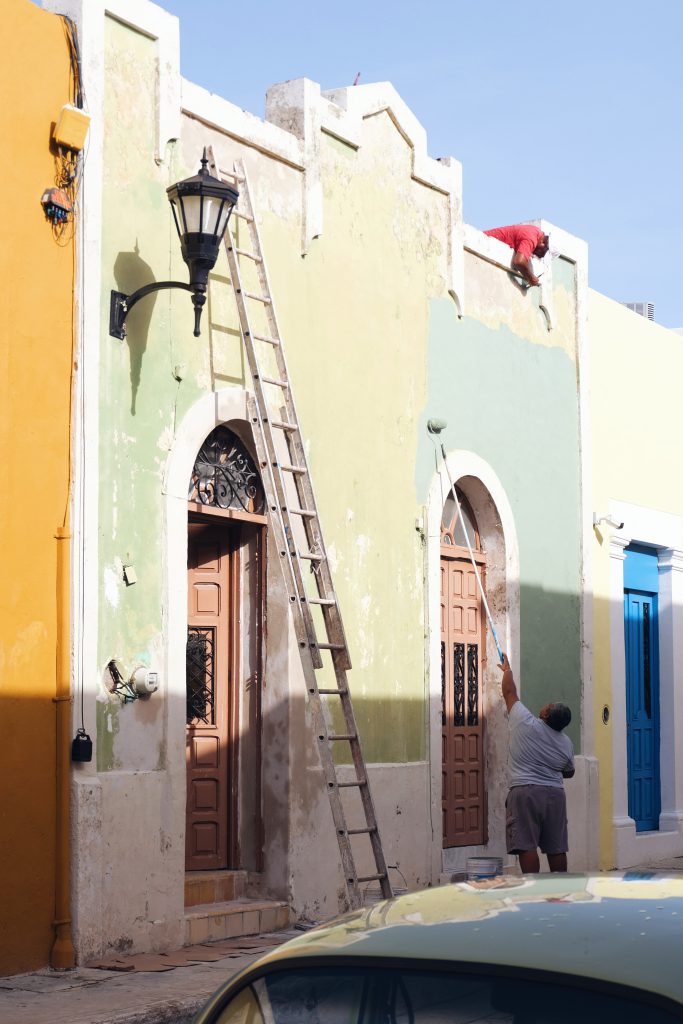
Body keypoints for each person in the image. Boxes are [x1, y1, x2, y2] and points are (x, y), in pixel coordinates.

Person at [499, 654, 574, 873]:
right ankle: (560, 892)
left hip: (524, 792)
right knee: (556, 847)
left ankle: (533, 889)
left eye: (549, 705)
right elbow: (569, 772)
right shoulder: (566, 744)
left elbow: (509, 692)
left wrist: (506, 670)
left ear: (546, 714)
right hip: (555, 795)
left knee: (526, 845)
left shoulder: (525, 722)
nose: (545, 704)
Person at [484, 224, 549, 287]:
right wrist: (531, 278)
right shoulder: (531, 238)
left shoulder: (536, 231)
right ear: (543, 243)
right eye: (541, 254)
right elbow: (519, 262)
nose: (537, 256)